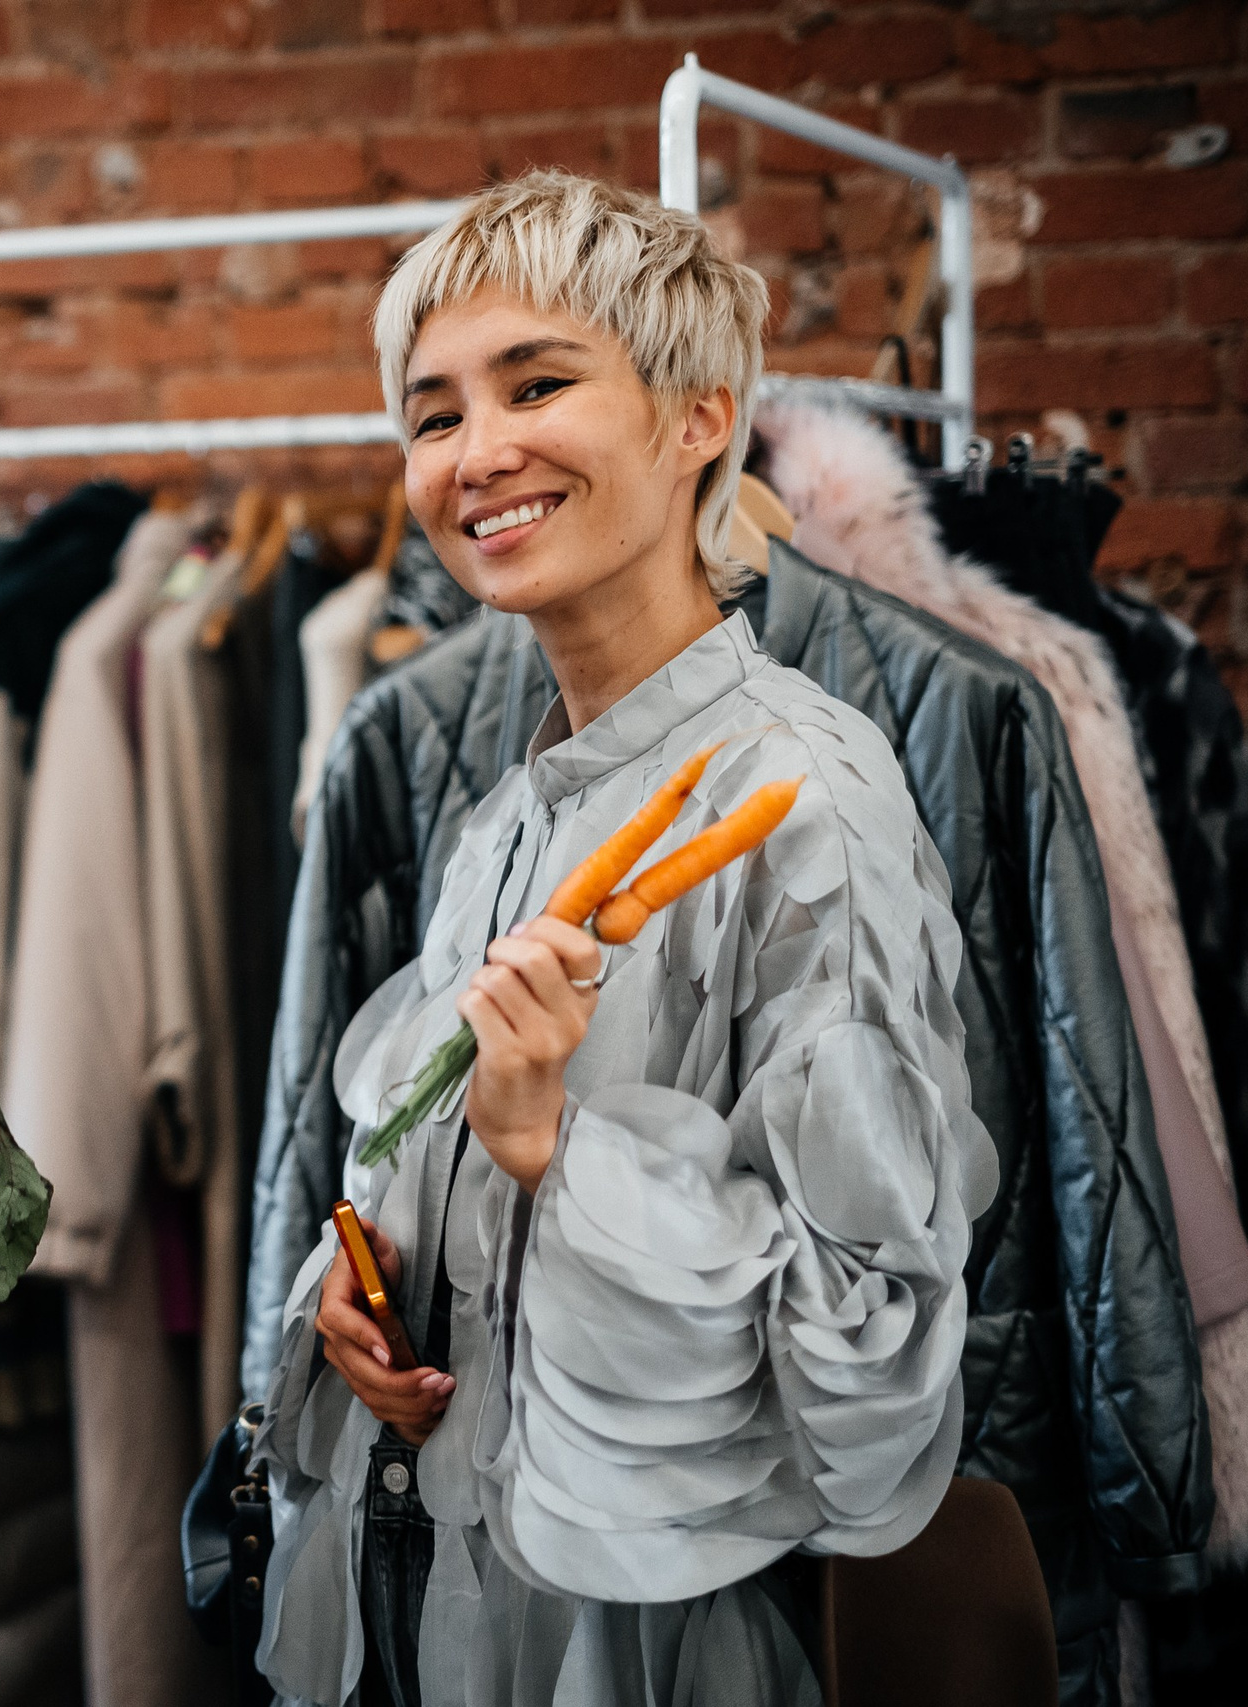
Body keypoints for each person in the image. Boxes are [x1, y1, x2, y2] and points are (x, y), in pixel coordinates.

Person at [251, 172, 999, 1706]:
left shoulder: (808, 810)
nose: (480, 453)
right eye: (434, 412)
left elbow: (874, 1369)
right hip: (437, 1612)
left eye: (538, 384)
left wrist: (559, 1154)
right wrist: (363, 1300)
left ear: (698, 417)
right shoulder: (511, 808)